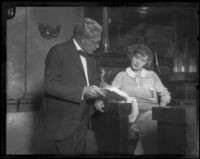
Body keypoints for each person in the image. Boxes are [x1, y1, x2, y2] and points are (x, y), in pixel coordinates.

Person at [40, 17, 105, 154]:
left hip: (84, 119)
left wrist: (98, 97)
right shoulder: (58, 51)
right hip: (64, 122)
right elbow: (50, 86)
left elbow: (94, 80)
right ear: (83, 40)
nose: (98, 46)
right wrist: (83, 91)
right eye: (95, 42)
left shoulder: (92, 57)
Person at [95, 44, 171, 154]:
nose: (138, 62)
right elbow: (111, 92)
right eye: (137, 57)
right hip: (131, 114)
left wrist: (162, 107)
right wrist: (101, 98)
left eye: (142, 60)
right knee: (151, 128)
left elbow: (164, 93)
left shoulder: (152, 75)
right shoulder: (122, 75)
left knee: (152, 122)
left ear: (146, 62)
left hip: (151, 112)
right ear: (132, 56)